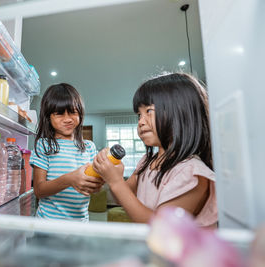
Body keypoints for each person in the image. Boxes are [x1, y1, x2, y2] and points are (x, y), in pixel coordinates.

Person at [92, 73, 217, 228]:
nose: (141, 122)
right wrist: (114, 175)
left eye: (149, 111)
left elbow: (160, 228)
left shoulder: (192, 173)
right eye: (139, 115)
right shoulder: (147, 161)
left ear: (181, 112)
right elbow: (122, 198)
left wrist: (116, 182)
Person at [30, 83, 103, 221]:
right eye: (59, 114)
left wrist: (97, 184)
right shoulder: (44, 145)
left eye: (73, 112)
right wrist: (70, 179)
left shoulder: (89, 147)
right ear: (48, 117)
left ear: (80, 113)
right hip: (48, 225)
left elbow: (95, 187)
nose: (68, 119)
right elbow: (39, 190)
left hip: (80, 225)